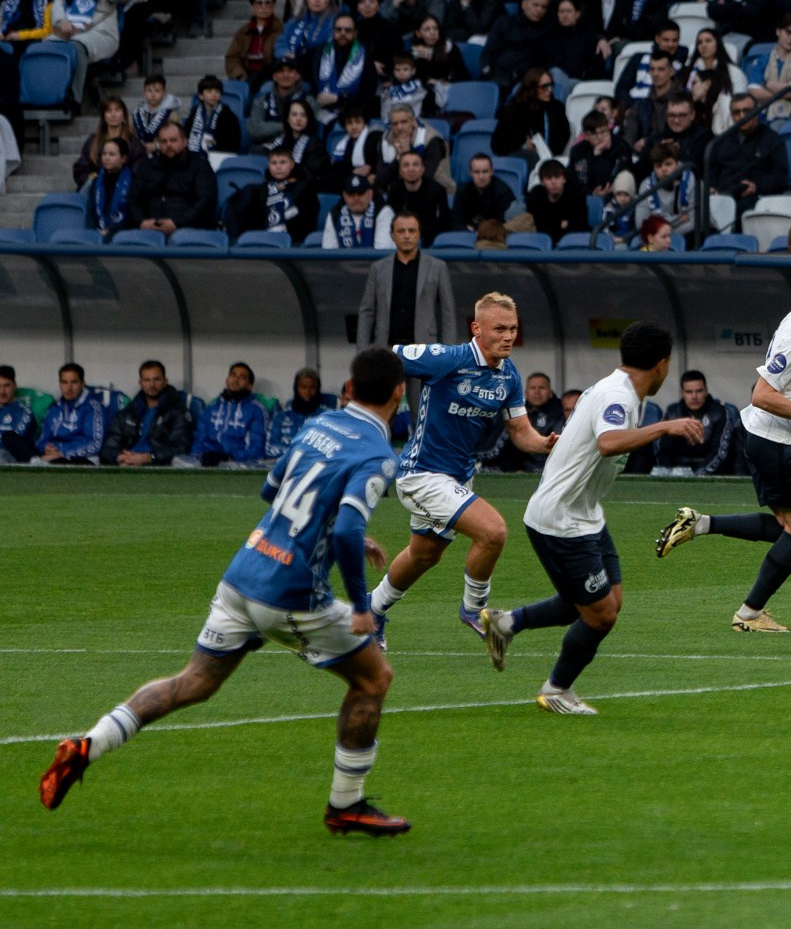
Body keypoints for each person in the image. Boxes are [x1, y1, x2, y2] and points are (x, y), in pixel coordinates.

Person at [41, 347, 412, 834]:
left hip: (244, 573)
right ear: (399, 393)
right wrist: (363, 607)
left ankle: (88, 744)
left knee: (193, 682)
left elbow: (272, 490)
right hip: (291, 593)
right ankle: (346, 806)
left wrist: (328, 527)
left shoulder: (319, 424)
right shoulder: (377, 454)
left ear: (350, 386)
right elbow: (343, 531)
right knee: (373, 679)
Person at [478, 323, 691, 715]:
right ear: (662, 365)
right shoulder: (618, 395)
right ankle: (556, 690)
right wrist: (665, 426)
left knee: (608, 601)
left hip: (584, 514)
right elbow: (608, 443)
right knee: (600, 613)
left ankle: (506, 623)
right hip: (561, 521)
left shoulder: (621, 389)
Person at [654, 260, 791, 633]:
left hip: (773, 437)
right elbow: (762, 395)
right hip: (775, 441)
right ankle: (749, 613)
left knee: (786, 526)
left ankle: (698, 525)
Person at [366, 293, 559, 649]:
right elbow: (387, 358)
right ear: (477, 328)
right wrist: (373, 410)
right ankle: (474, 610)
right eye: (499, 328)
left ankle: (372, 608)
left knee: (425, 554)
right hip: (421, 475)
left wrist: (545, 444)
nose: (508, 336)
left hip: (457, 479)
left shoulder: (509, 375)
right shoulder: (449, 359)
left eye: (513, 329)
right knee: (494, 531)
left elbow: (520, 432)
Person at [101, 360, 195, 467]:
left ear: (165, 381)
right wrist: (120, 457)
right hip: (127, 463)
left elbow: (180, 448)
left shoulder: (178, 412)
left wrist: (148, 458)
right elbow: (108, 448)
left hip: (158, 466)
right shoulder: (127, 413)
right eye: (147, 380)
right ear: (140, 383)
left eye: (157, 379)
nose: (152, 385)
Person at [133, 121, 219, 235]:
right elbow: (133, 199)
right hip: (148, 229)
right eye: (164, 141)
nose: (168, 145)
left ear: (185, 142)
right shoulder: (148, 166)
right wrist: (142, 222)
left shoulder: (200, 167)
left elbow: (205, 203)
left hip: (189, 231)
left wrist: (177, 223)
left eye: (173, 140)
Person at [652, 371, 734, 477]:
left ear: (706, 391)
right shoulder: (672, 413)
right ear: (682, 393)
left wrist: (696, 476)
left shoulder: (720, 413)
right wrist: (668, 474)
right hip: (676, 472)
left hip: (711, 475)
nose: (694, 396)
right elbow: (663, 451)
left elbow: (719, 453)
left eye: (699, 391)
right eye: (689, 392)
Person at [189, 363, 270, 468]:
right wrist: (198, 456)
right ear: (227, 380)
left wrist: (229, 457)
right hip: (206, 461)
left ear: (250, 386)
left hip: (237, 462)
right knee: (178, 461)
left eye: (242, 377)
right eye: (233, 375)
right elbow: (199, 439)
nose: (235, 380)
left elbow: (257, 449)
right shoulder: (212, 407)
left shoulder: (257, 410)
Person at [32, 364, 106, 466]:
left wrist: (62, 452)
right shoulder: (55, 407)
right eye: (64, 382)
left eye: (74, 382)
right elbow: (42, 439)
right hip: (53, 455)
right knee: (12, 438)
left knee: (41, 461)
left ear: (82, 384)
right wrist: (46, 447)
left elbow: (95, 444)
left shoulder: (92, 407)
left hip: (82, 459)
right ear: (60, 384)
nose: (69, 388)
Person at [267, 369, 331, 461]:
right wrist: (299, 454)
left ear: (318, 390)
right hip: (284, 468)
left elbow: (331, 451)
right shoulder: (280, 417)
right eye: (303, 387)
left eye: (312, 388)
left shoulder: (328, 418)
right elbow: (269, 449)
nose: (307, 392)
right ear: (296, 388)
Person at [0, 366, 37, 464]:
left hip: (9, 456)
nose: (2, 391)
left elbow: (14, 443)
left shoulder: (24, 412)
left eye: (7, 386)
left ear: (14, 386)